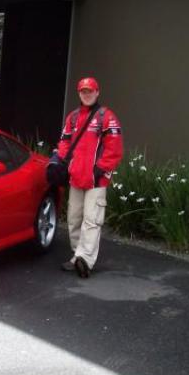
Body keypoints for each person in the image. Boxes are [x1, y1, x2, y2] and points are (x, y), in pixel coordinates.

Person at [57, 77, 123, 278]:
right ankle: (76, 255)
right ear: (79, 93)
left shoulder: (107, 117)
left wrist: (100, 169)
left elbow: (115, 149)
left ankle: (85, 259)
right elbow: (64, 143)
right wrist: (68, 165)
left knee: (91, 220)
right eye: (83, 91)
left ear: (97, 92)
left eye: (90, 91)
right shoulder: (73, 118)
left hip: (96, 180)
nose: (87, 94)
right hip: (76, 178)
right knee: (74, 219)